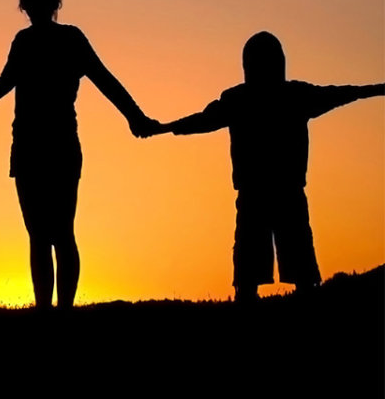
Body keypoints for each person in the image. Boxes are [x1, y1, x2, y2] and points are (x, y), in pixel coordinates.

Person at [0, 0, 159, 309]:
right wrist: (135, 116)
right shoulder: (62, 40)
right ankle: (55, 310)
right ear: (55, 4)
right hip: (52, 146)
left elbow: (5, 84)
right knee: (57, 233)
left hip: (40, 147)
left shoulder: (40, 41)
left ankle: (52, 310)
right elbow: (102, 79)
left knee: (46, 235)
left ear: (27, 6)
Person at [151, 31, 384, 302]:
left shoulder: (244, 99)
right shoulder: (292, 95)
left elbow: (203, 120)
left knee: (271, 273)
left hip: (265, 194)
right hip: (277, 193)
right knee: (281, 272)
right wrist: (165, 128)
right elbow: (344, 93)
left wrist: (163, 128)